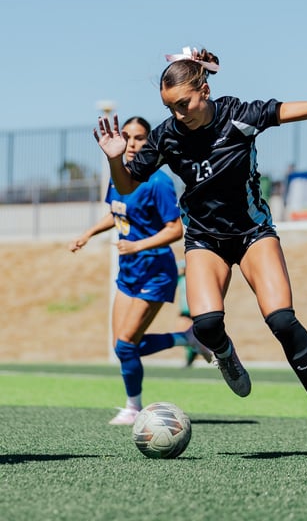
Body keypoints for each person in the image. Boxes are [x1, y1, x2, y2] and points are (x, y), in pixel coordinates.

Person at [94, 46, 307, 446]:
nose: (178, 114)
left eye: (183, 104)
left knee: (282, 320)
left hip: (252, 233)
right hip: (204, 239)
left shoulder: (240, 116)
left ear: (205, 90)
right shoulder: (166, 136)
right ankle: (225, 354)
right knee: (207, 325)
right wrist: (115, 160)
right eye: (170, 107)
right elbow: (127, 184)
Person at [70, 115, 212, 425]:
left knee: (126, 343)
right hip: (129, 272)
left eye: (140, 138)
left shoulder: (158, 181)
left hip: (156, 270)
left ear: (150, 142)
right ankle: (185, 338)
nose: (133, 144)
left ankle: (133, 407)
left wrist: (138, 245)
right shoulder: (118, 174)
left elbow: (175, 230)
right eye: (128, 137)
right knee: (121, 347)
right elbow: (117, 213)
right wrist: (89, 233)